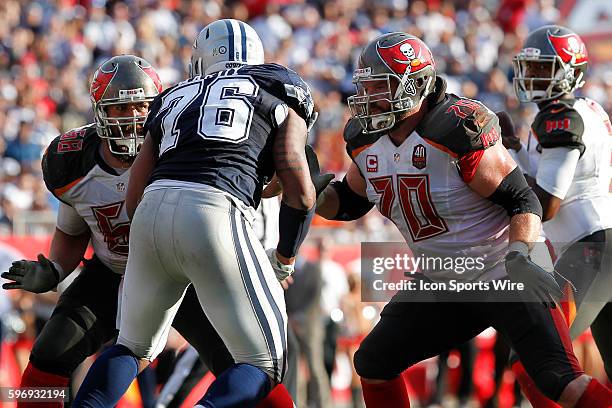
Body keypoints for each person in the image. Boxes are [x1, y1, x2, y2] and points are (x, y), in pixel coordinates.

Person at [315, 32, 612, 407]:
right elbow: (346, 203)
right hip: (441, 278)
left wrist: (520, 255)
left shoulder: (454, 128)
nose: (370, 95)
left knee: (557, 379)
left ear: (416, 84)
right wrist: (309, 194)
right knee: (374, 362)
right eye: (367, 85)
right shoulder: (365, 140)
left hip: (499, 271)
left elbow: (524, 201)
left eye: (381, 84)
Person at [0, 54, 292, 408]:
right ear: (100, 112)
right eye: (120, 109)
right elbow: (73, 230)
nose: (134, 118)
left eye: (141, 107)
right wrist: (54, 270)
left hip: (181, 273)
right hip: (112, 271)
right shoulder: (71, 161)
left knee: (241, 362)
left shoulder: (182, 148)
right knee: (47, 356)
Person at [73, 19, 317, 408]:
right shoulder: (278, 86)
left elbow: (138, 186)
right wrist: (285, 257)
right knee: (265, 362)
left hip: (152, 208)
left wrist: (154, 241)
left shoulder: (174, 95)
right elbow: (300, 189)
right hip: (216, 208)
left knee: (132, 347)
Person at [507, 24, 612, 407]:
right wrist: (513, 149)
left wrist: (503, 177)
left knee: (535, 357)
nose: (531, 77)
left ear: (569, 71)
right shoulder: (581, 109)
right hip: (596, 246)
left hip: (592, 248)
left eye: (542, 69)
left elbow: (546, 202)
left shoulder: (560, 115)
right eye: (530, 68)